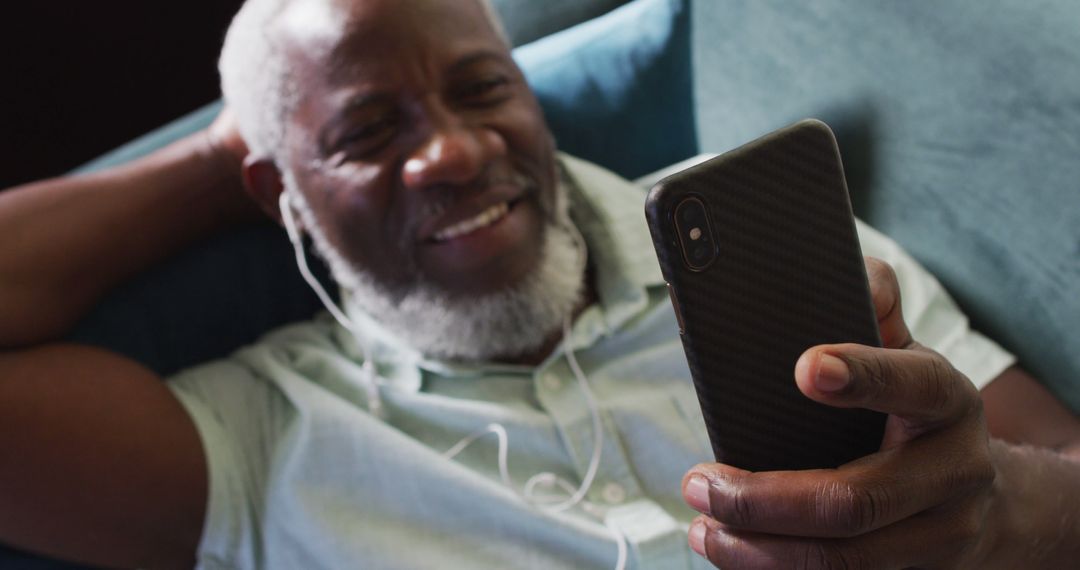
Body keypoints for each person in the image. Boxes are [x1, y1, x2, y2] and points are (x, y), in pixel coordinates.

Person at [0, 0, 1077, 568]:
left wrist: (993, 518)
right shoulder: (256, 442)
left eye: (483, 89)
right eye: (370, 131)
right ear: (273, 190)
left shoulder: (778, 246)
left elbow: (1061, 473)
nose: (455, 154)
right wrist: (207, 167)